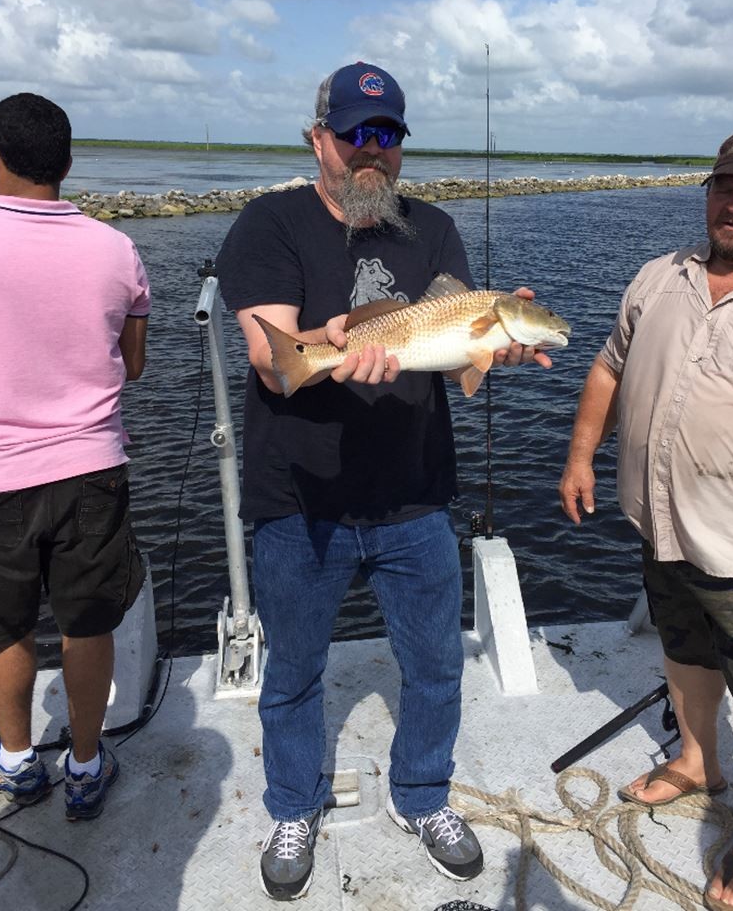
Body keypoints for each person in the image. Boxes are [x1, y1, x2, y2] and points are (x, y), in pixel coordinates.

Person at [217, 61, 551, 901]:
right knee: (293, 671)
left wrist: (495, 348)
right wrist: (328, 346)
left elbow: (461, 356)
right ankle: (293, 806)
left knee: (435, 665)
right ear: (317, 139)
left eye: (387, 135)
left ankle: (424, 795)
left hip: (414, 496)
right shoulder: (270, 223)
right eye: (354, 134)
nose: (372, 151)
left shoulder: (433, 229)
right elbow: (271, 360)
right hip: (300, 500)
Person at [559, 127, 733, 911]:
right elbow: (609, 366)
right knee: (685, 655)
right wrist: (579, 454)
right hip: (659, 525)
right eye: (721, 186)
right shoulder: (658, 276)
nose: (732, 204)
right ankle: (698, 760)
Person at [0, 93, 150, 821]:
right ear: (68, 164)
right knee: (87, 624)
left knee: (5, 626)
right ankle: (85, 766)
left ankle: (17, 761)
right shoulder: (115, 249)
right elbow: (134, 365)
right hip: (92, 469)